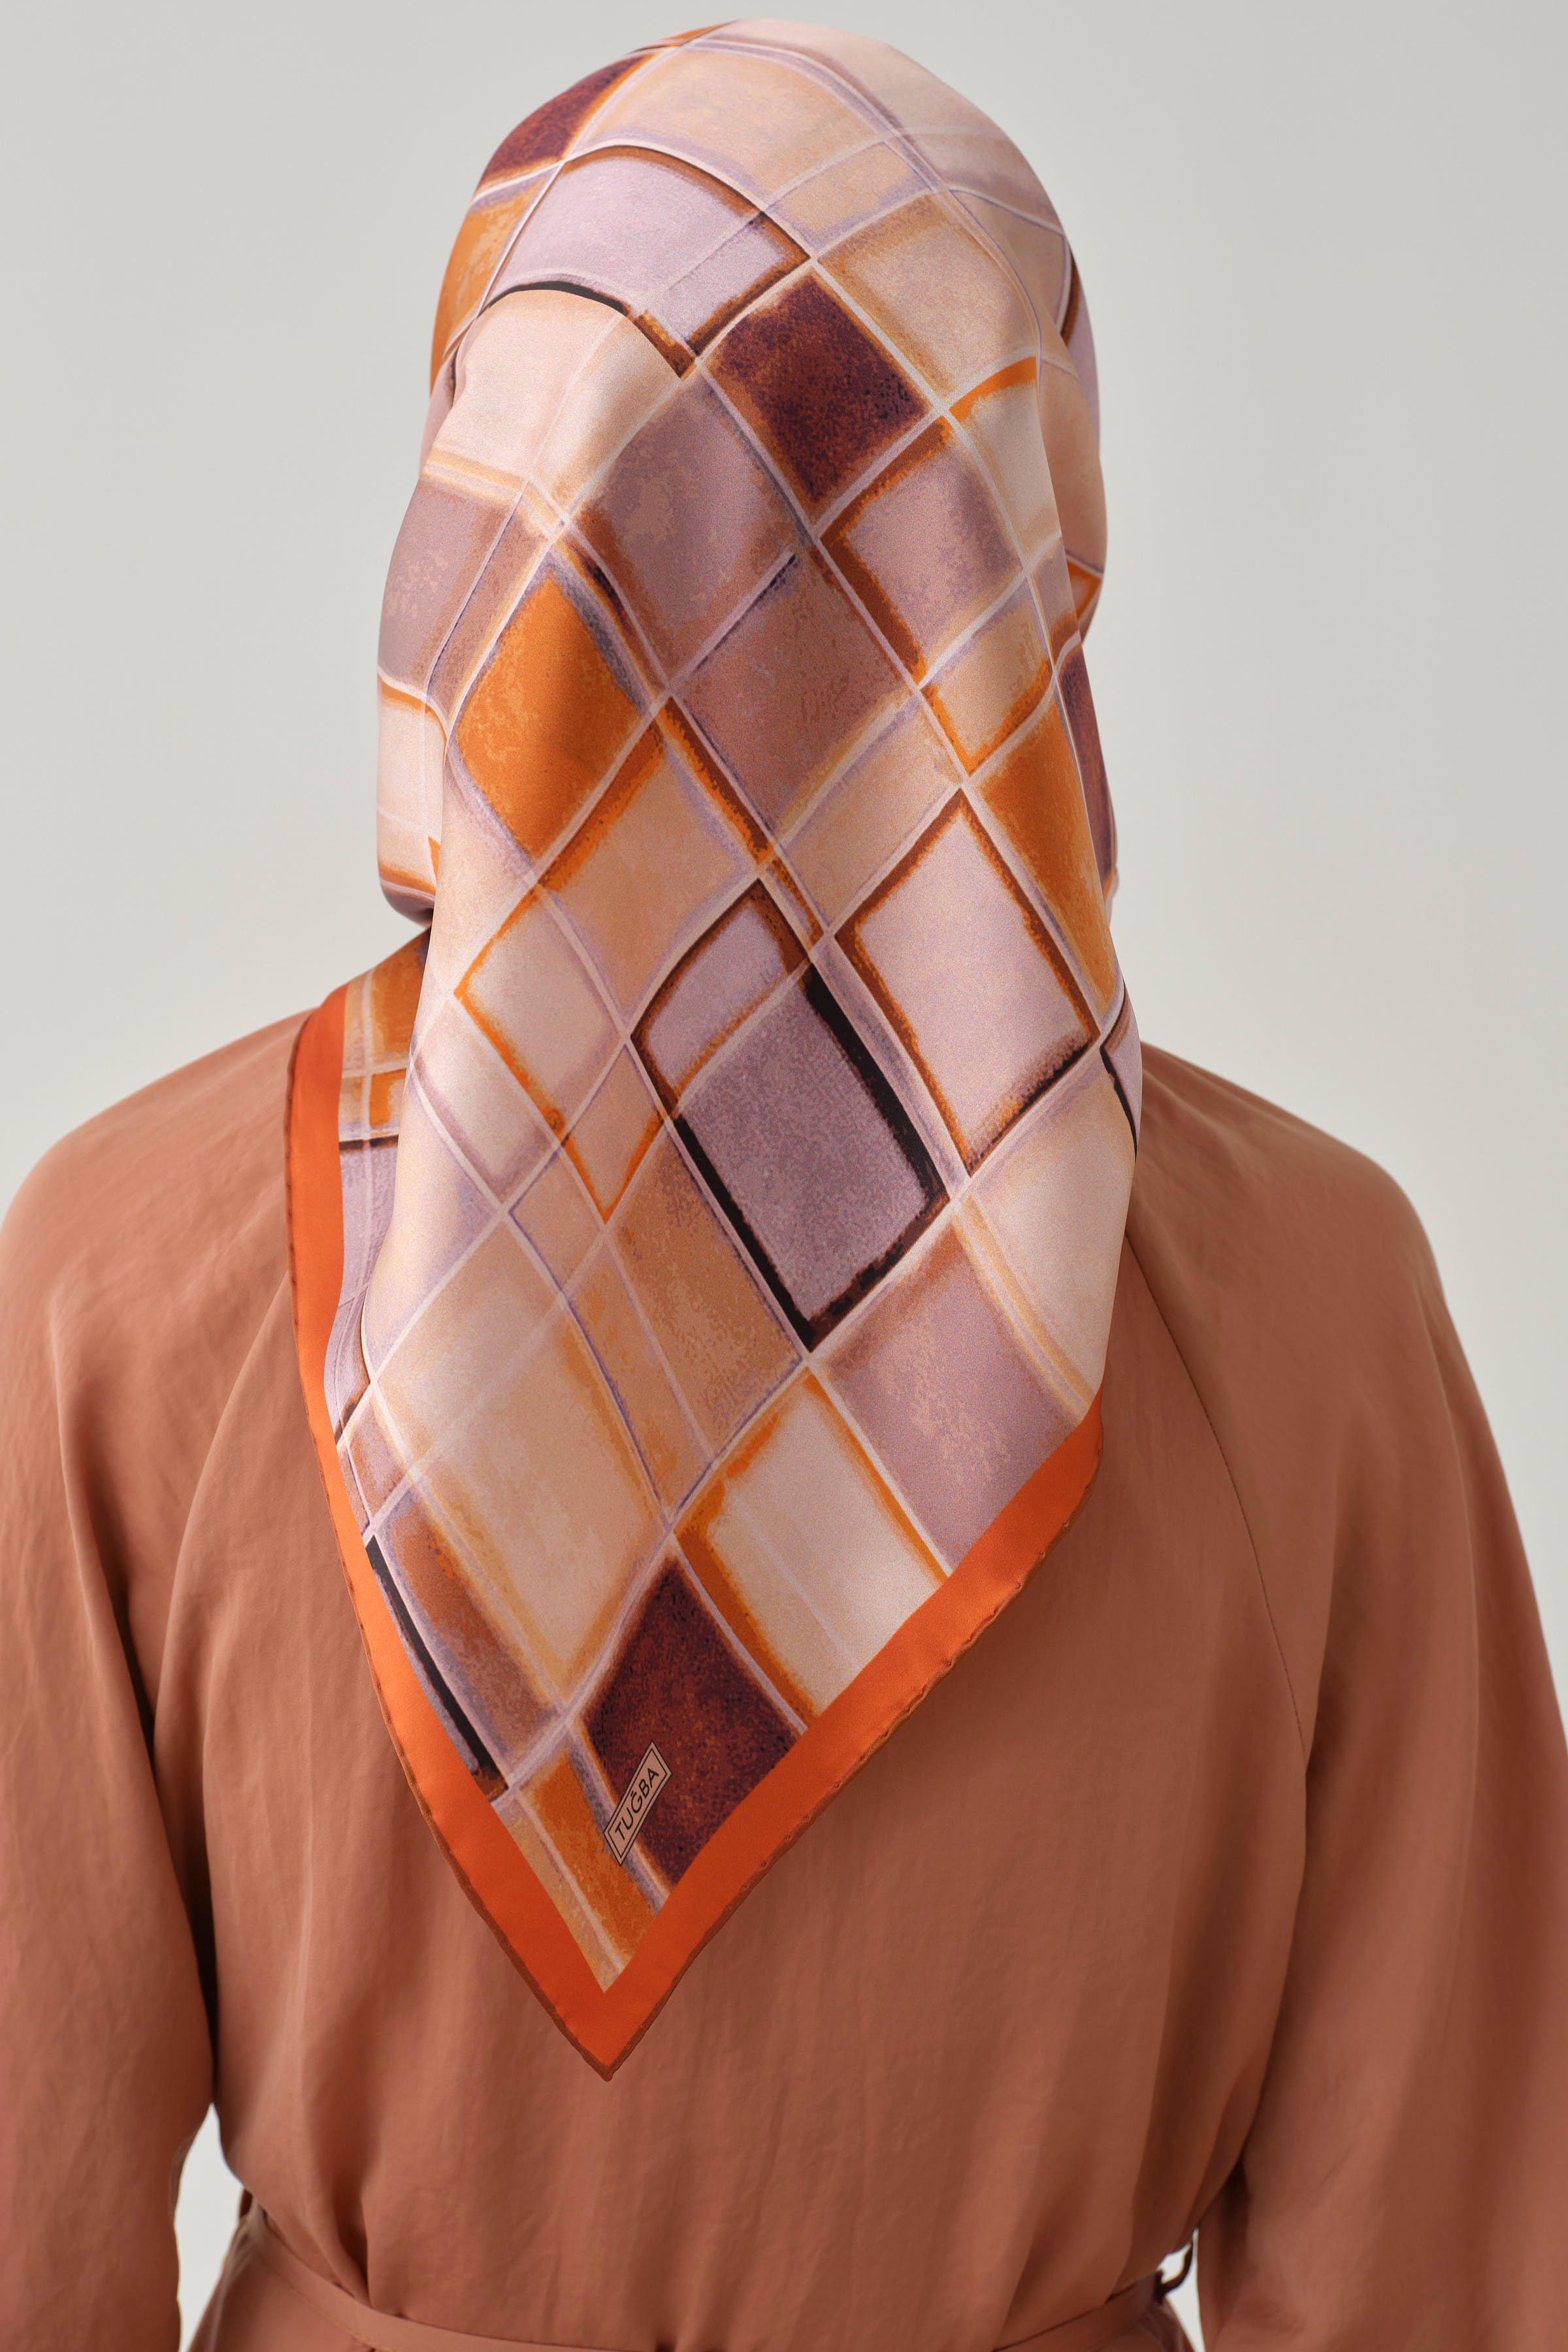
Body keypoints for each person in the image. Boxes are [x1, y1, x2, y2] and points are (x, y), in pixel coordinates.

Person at [2, 24, 1564, 2352]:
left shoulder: (127, 1287)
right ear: (1037, 521)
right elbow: (1431, 2271)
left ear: (472, 535)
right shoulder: (1314, 1309)